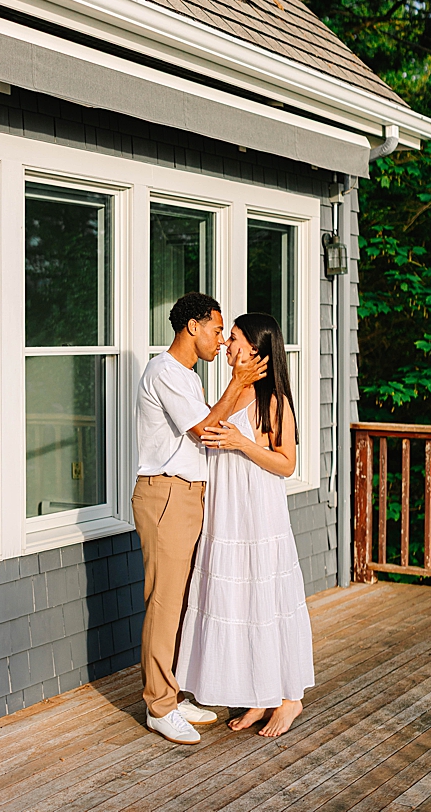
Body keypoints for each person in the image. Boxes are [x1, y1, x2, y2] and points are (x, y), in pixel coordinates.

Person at [132, 292, 268, 745]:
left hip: (189, 495)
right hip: (166, 494)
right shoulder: (164, 371)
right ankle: (159, 706)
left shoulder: (188, 377)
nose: (221, 340)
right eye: (217, 330)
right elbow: (205, 431)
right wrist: (238, 382)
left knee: (184, 600)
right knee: (164, 602)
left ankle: (172, 692)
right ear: (192, 327)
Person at [177, 313, 315, 737]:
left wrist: (241, 442)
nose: (226, 344)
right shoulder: (232, 391)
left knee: (267, 601)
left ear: (254, 349)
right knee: (241, 603)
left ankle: (289, 699)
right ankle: (260, 695)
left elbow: (286, 464)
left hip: (258, 513)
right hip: (226, 514)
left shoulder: (274, 400)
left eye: (233, 338)